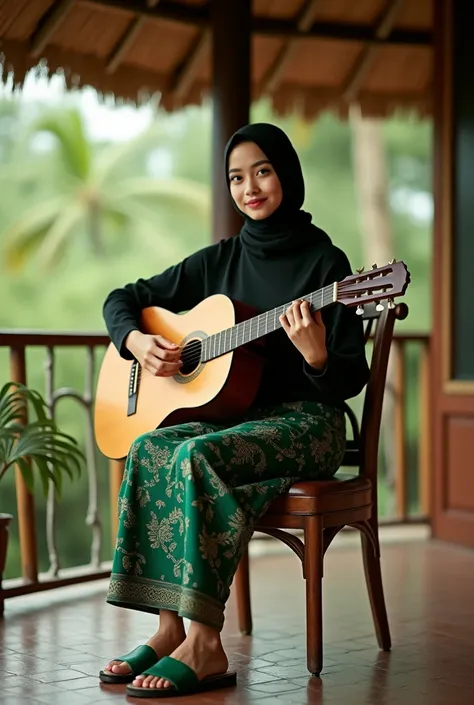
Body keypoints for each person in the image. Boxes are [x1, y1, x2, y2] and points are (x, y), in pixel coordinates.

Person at [99, 123, 369, 697]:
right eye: (236, 177)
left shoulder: (328, 264)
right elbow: (121, 299)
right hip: (238, 421)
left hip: (308, 422)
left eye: (263, 171)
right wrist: (135, 342)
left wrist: (318, 357)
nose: (250, 187)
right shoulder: (217, 262)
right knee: (149, 446)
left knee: (198, 454)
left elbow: (350, 375)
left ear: (287, 175)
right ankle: (168, 625)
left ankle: (206, 643)